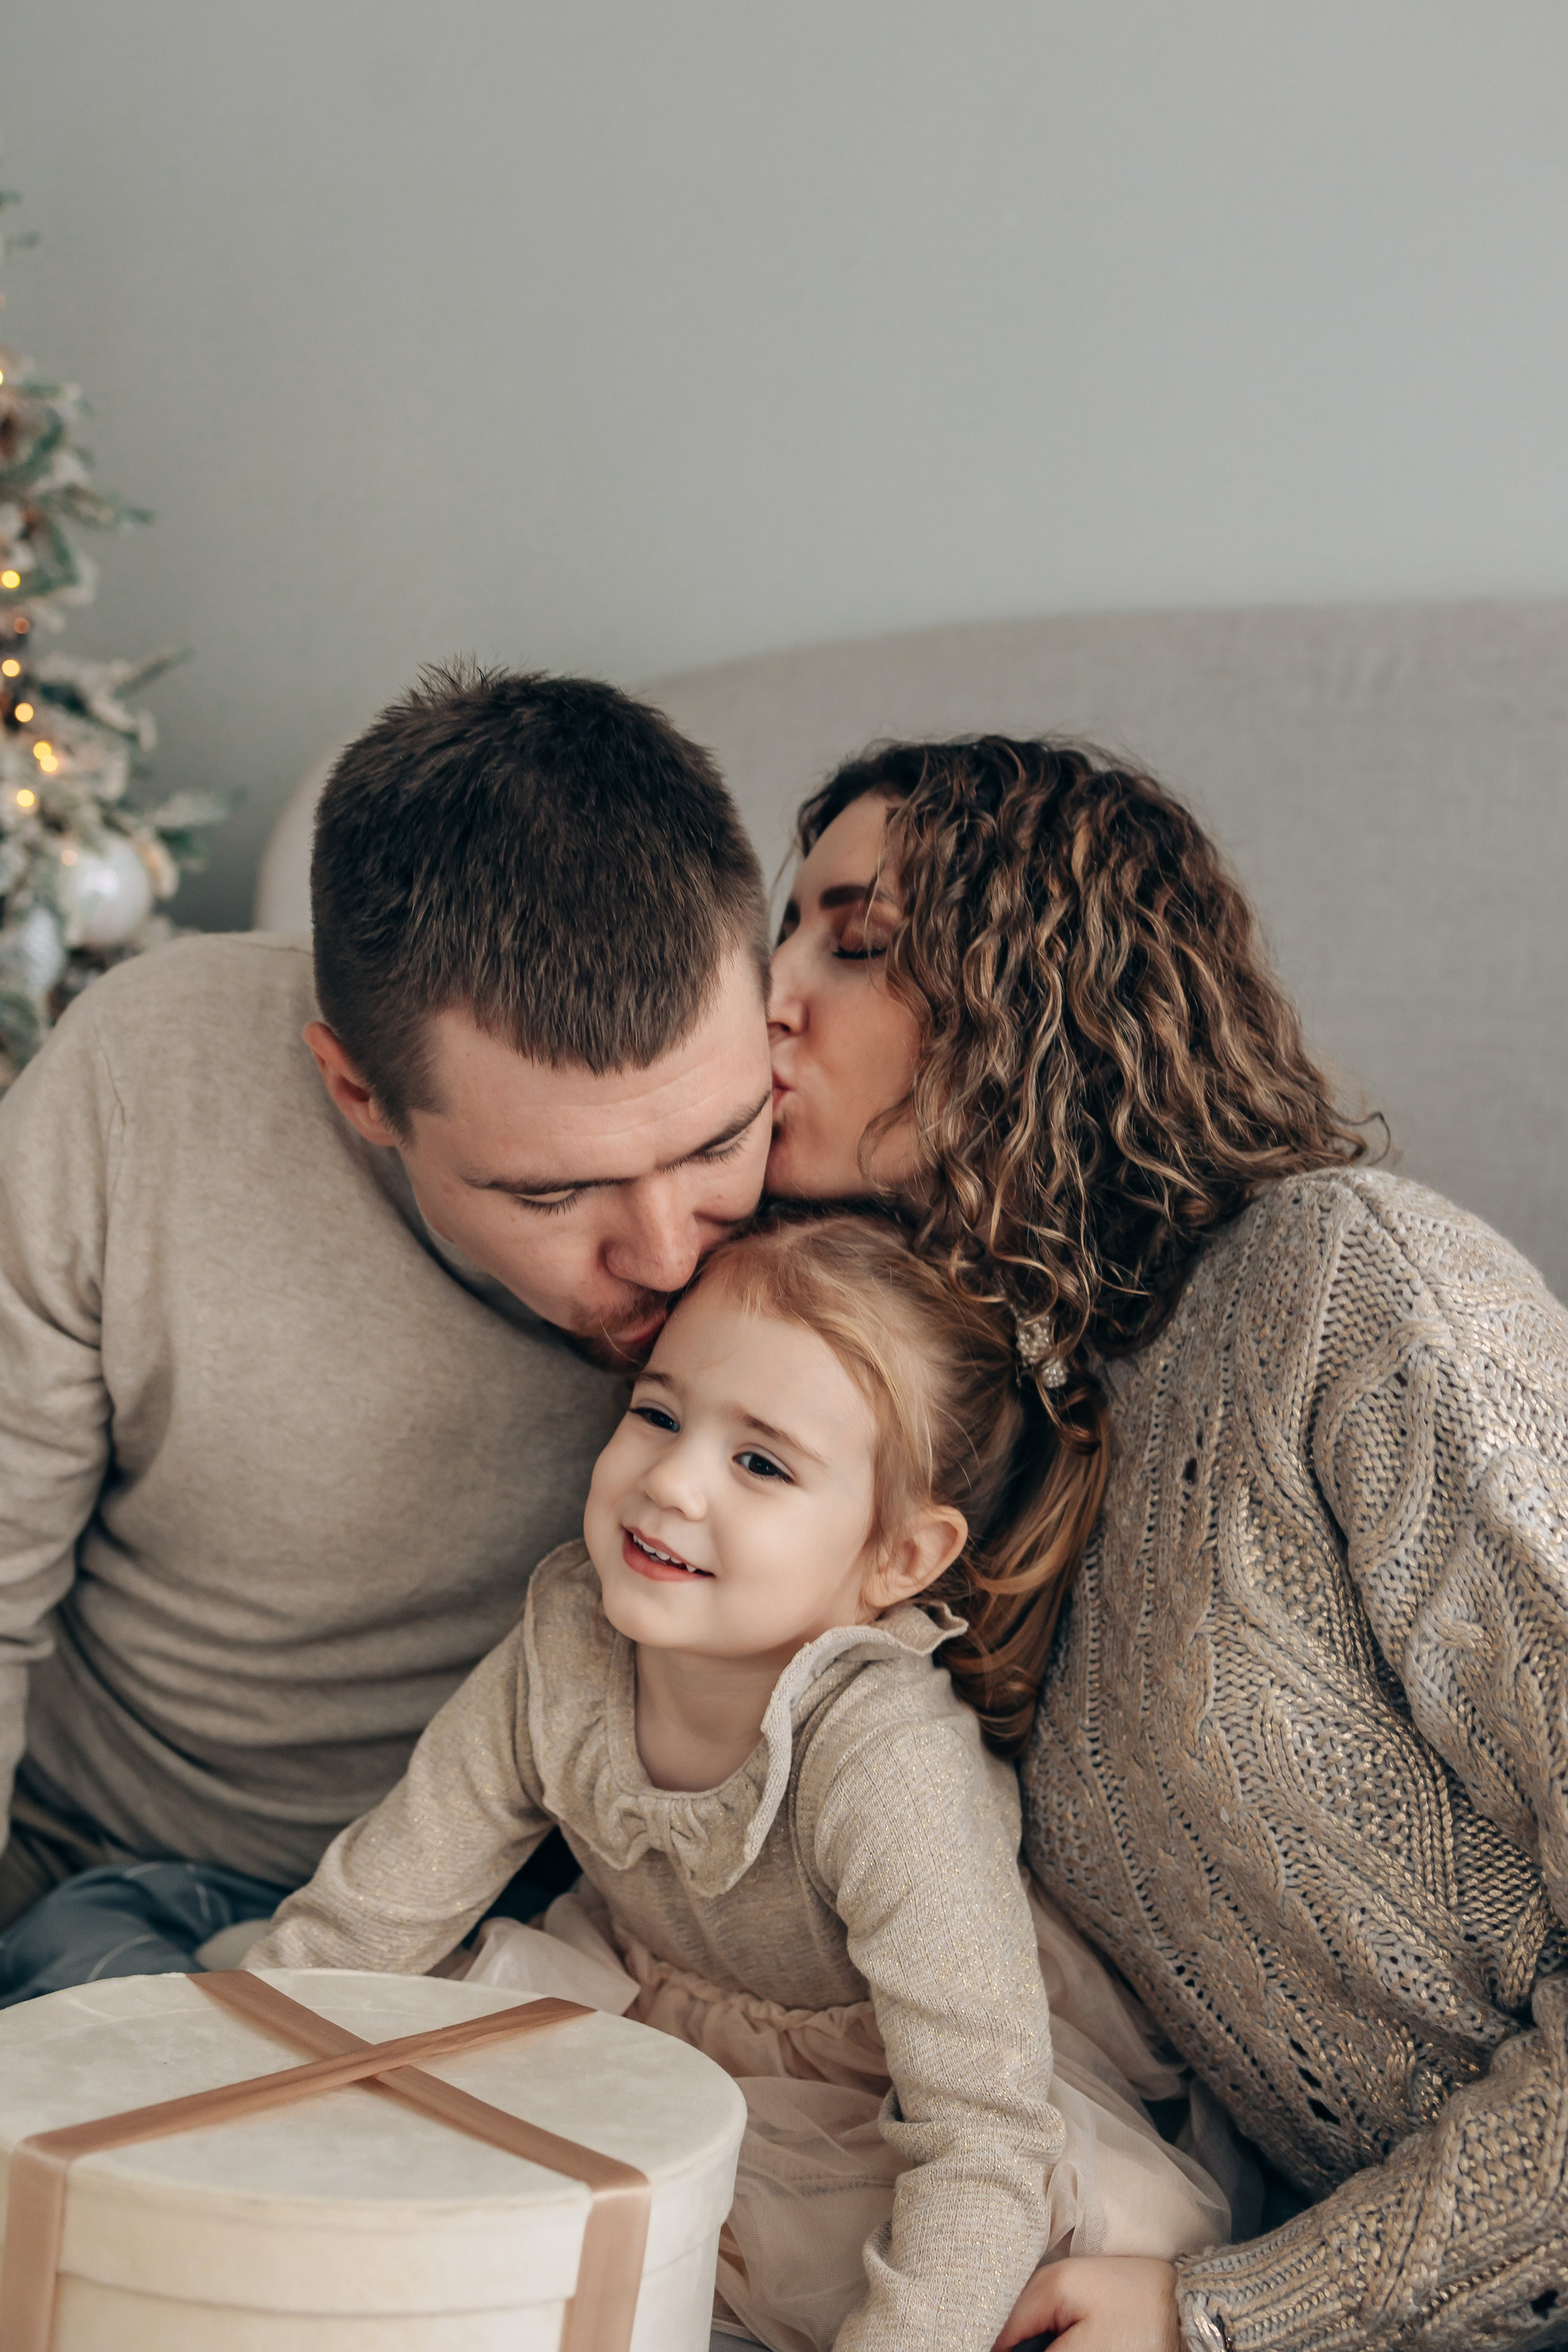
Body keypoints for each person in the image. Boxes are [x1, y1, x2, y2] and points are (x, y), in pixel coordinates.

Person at [764, 736, 1568, 2352]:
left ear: (1045, 985)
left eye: (853, 942)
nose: (769, 998)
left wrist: (1238, 2318)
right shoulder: (1000, 1446)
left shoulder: (1351, 1289)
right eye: (779, 939)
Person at [248, 1212, 1233, 2352]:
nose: (670, 1483)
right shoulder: (565, 1647)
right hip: (635, 2014)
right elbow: (371, 1914)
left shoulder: (882, 1761)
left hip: (885, 2102)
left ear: (898, 1558)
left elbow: (980, 2135)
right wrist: (190, 2097)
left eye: (760, 1462)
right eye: (658, 1413)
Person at [0, 663, 774, 1998]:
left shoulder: (845, 1138)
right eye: (550, 1189)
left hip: (536, 1913)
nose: (666, 1253)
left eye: (718, 1142)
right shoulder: (141, 1088)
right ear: (357, 1091)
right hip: (100, 1857)